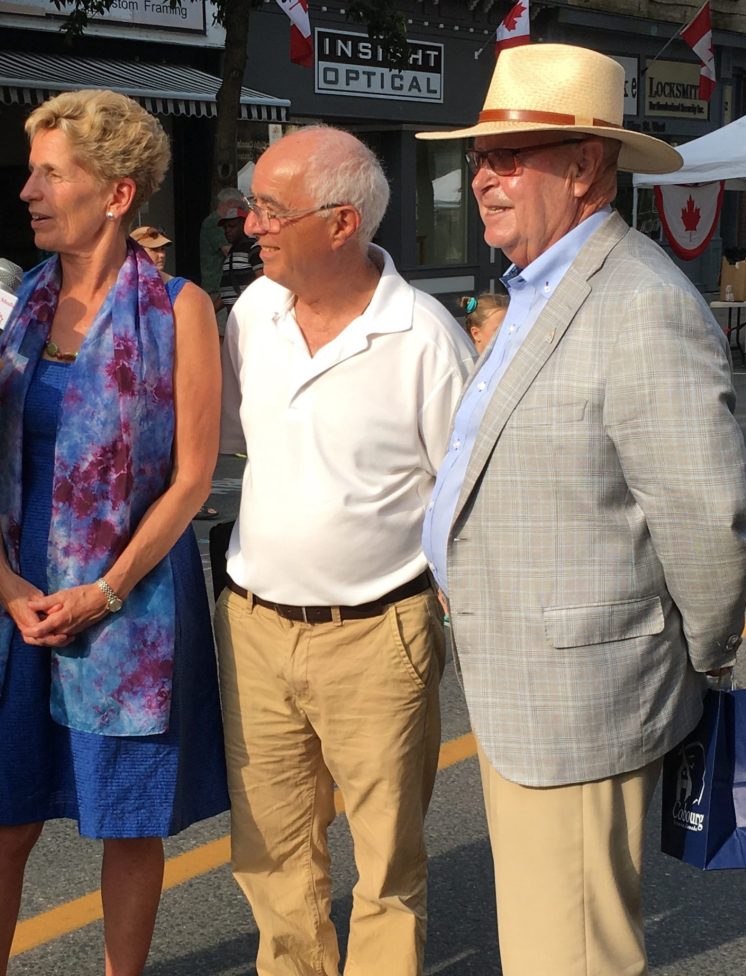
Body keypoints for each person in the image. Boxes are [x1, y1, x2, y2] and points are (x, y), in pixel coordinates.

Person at [416, 44, 746, 975]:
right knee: (545, 941)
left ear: (583, 166)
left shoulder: (639, 300)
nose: (484, 176)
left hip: (582, 694)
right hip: (528, 680)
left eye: (512, 156)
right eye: (479, 158)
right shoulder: (540, 286)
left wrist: (698, 658)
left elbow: (710, 516)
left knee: (570, 955)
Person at [0, 88, 228, 976]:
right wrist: (3, 576)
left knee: (127, 817)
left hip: (128, 606)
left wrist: (104, 589)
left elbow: (191, 479)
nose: (27, 190)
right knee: (2, 814)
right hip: (14, 600)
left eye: (50, 173)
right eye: (31, 172)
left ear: (117, 192)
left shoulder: (179, 309)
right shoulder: (14, 302)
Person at [216, 125, 475, 976]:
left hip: (377, 635)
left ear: (339, 223)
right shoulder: (253, 313)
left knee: (386, 864)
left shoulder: (425, 338)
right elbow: (224, 441)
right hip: (254, 628)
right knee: (270, 853)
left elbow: (465, 500)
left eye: (268, 210)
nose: (250, 226)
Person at [215, 199, 262, 333]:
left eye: (232, 226)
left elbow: (262, 281)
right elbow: (227, 289)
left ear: (244, 225)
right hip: (233, 317)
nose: (227, 231)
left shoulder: (253, 248)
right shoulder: (232, 252)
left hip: (250, 318)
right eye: (225, 228)